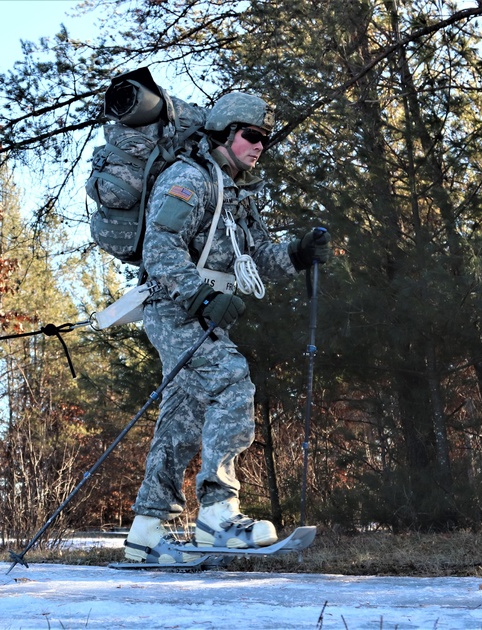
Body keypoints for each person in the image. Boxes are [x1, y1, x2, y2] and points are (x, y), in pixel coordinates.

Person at [123, 92, 331, 563]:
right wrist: (201, 297)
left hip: (202, 309)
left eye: (265, 139)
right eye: (252, 136)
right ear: (223, 132)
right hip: (176, 308)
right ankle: (218, 515)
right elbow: (160, 249)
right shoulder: (188, 179)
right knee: (232, 380)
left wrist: (298, 253)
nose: (260, 146)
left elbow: (257, 259)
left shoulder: (236, 195)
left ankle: (146, 531)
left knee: (182, 417)